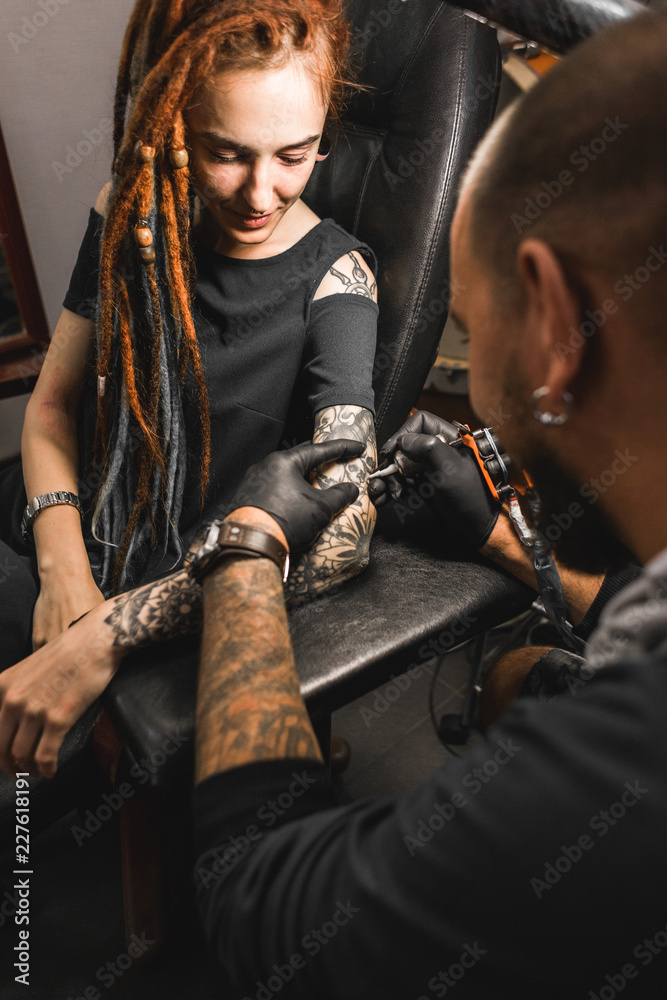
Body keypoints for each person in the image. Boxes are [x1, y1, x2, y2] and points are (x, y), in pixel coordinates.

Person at [182, 10, 667, 998]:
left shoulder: (618, 775)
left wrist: (245, 544)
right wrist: (496, 532)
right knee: (519, 673)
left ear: (555, 325)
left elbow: (257, 897)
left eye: (472, 323)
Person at [0, 0, 379, 773]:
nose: (260, 192)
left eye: (294, 154)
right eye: (226, 153)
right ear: (177, 128)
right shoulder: (128, 214)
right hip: (64, 521)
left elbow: (348, 526)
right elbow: (51, 407)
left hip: (163, 584)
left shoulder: (339, 279)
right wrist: (62, 560)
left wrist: (108, 630)